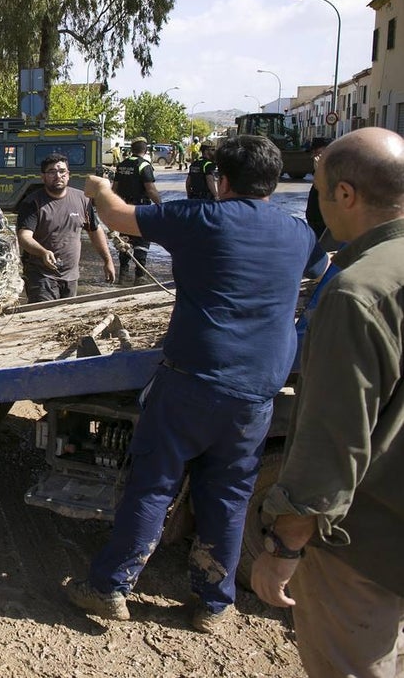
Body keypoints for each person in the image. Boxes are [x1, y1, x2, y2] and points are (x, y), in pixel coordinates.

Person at [67, 135, 327, 634]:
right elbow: (323, 272)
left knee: (154, 485)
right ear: (274, 183)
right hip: (256, 391)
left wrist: (98, 188)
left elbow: (118, 216)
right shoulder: (298, 233)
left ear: (220, 180)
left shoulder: (201, 217)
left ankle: (110, 588)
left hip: (192, 381)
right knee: (228, 496)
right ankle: (212, 604)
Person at [251, 127, 404, 677]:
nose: (317, 205)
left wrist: (283, 548)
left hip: (365, 543)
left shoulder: (357, 292)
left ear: (345, 194)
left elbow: (334, 441)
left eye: (317, 191)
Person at [15, 153, 115, 302]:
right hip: (41, 275)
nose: (58, 176)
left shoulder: (82, 199)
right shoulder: (32, 203)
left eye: (62, 171)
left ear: (68, 175)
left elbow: (94, 230)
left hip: (71, 276)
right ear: (43, 177)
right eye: (52, 172)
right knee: (45, 313)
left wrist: (108, 260)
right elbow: (24, 237)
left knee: (68, 314)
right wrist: (42, 252)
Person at [111, 138, 161, 283]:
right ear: (145, 150)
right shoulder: (144, 165)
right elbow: (151, 190)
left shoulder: (122, 165)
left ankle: (123, 275)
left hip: (124, 209)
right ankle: (140, 276)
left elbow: (114, 189)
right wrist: (161, 206)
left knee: (124, 241)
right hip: (140, 209)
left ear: (132, 149)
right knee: (142, 242)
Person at [302, 137, 333, 240]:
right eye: (313, 153)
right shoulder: (319, 169)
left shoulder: (337, 172)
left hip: (326, 228)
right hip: (315, 225)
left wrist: (321, 171)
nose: (314, 156)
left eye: (317, 152)